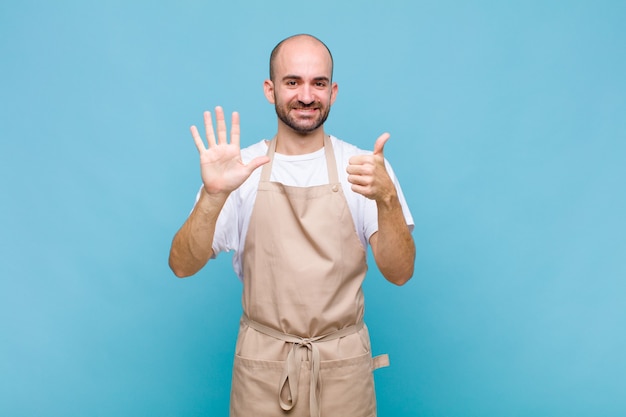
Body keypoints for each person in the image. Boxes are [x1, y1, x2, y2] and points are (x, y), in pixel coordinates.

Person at [169, 34, 415, 417]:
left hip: (342, 370)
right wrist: (214, 196)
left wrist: (387, 200)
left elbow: (400, 273)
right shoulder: (240, 171)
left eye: (318, 83)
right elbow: (182, 266)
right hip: (263, 370)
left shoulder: (365, 170)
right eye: (292, 82)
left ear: (333, 91)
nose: (306, 95)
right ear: (270, 90)